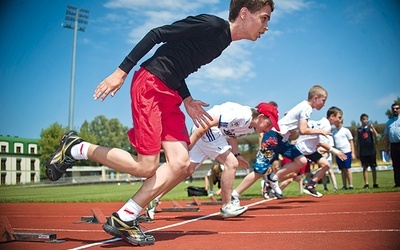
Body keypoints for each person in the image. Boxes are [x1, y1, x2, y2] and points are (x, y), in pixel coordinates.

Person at [45, 0, 276, 246]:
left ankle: (126, 216)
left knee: (181, 163)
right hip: (150, 86)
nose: (266, 27)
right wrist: (121, 71)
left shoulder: (222, 43)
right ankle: (75, 147)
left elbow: (177, 65)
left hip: (171, 94)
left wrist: (187, 99)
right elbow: (158, 34)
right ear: (244, 13)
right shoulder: (212, 25)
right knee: (146, 167)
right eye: (264, 18)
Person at [145, 101, 280, 220]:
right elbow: (207, 124)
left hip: (211, 133)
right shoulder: (242, 116)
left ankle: (154, 198)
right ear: (261, 117)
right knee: (230, 163)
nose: (269, 129)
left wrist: (237, 154)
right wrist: (187, 146)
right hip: (205, 128)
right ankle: (227, 206)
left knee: (186, 170)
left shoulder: (250, 125)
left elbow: (231, 135)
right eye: (269, 124)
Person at [231, 85, 332, 200]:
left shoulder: (302, 106)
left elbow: (296, 129)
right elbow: (304, 130)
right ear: (315, 98)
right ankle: (235, 194)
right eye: (323, 100)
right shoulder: (307, 108)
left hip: (282, 140)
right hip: (272, 139)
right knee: (259, 171)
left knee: (301, 160)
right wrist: (321, 131)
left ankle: (273, 178)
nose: (324, 104)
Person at [355, 113, 379, 189]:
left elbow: (376, 136)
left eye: (366, 119)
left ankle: (375, 183)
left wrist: (373, 128)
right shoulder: (359, 130)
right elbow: (358, 141)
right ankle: (366, 184)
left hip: (371, 150)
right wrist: (357, 151)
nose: (365, 121)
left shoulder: (370, 128)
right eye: (364, 119)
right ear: (361, 120)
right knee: (365, 167)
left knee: (373, 167)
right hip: (363, 151)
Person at [333, 119, 355, 190]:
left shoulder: (346, 130)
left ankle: (351, 185)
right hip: (338, 153)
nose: (337, 123)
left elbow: (351, 141)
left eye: (338, 122)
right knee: (342, 169)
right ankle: (344, 185)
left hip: (346, 151)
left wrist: (353, 152)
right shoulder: (334, 132)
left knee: (347, 168)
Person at [384, 103, 400, 187]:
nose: (395, 110)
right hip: (393, 145)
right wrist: (387, 148)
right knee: (395, 165)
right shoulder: (389, 122)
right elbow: (387, 136)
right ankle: (397, 183)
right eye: (393, 108)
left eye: (397, 108)